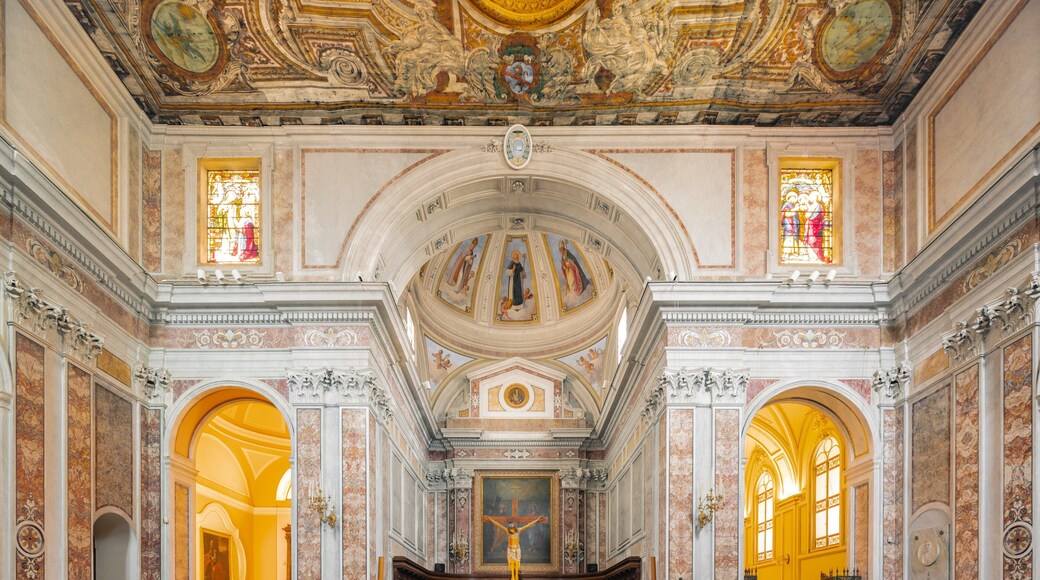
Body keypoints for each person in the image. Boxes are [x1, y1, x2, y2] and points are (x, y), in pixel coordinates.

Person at [483, 515, 547, 580]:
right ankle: (513, 576)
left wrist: (537, 520)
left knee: (516, 563)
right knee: (512, 563)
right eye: (510, 530)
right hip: (510, 550)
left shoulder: (518, 531)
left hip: (516, 550)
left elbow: (529, 525)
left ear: (514, 529)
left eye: (512, 530)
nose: (511, 531)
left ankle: (516, 576)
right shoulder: (507, 531)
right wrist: (490, 520)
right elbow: (498, 525)